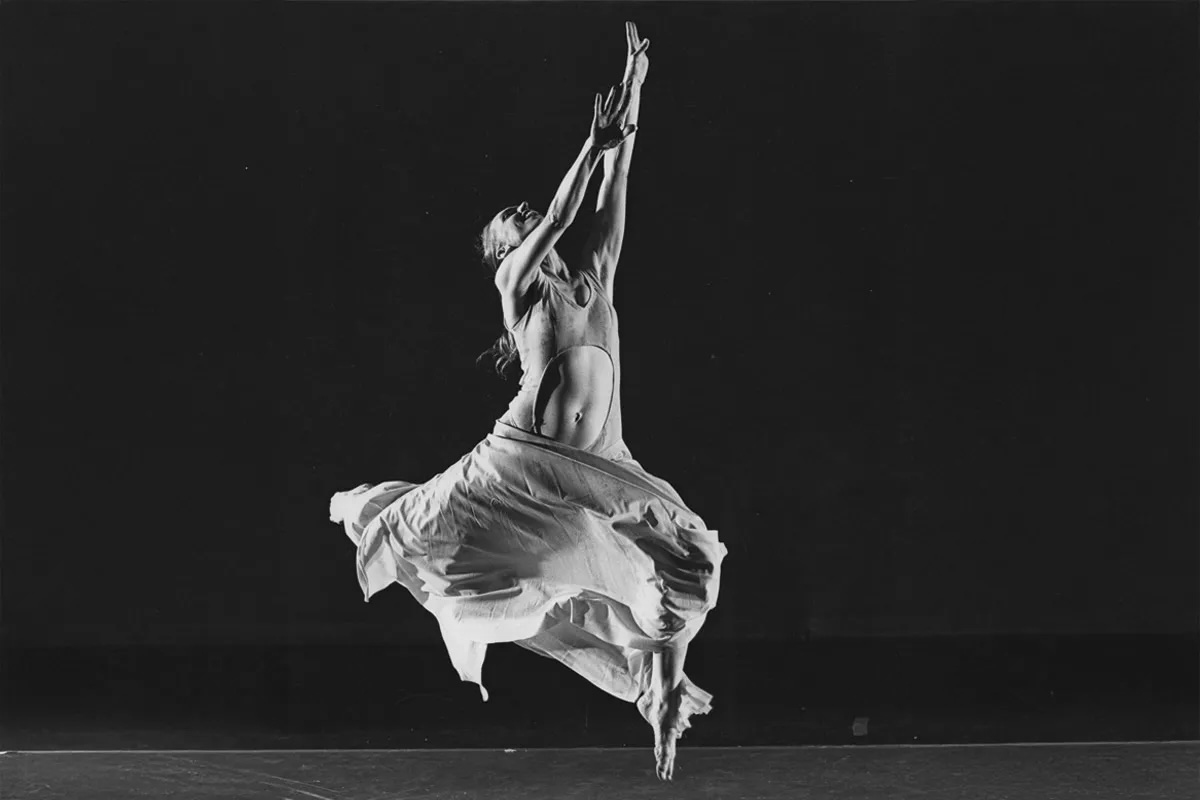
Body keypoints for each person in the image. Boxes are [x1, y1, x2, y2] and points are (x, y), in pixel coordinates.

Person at [329, 22, 726, 781]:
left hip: (600, 461)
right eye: (511, 225)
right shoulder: (518, 289)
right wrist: (592, 141)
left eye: (521, 217)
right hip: (520, 461)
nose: (522, 219)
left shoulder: (594, 285)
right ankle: (362, 507)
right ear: (504, 255)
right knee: (418, 517)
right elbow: (560, 217)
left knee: (692, 553)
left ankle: (661, 688)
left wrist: (635, 98)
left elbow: (615, 195)